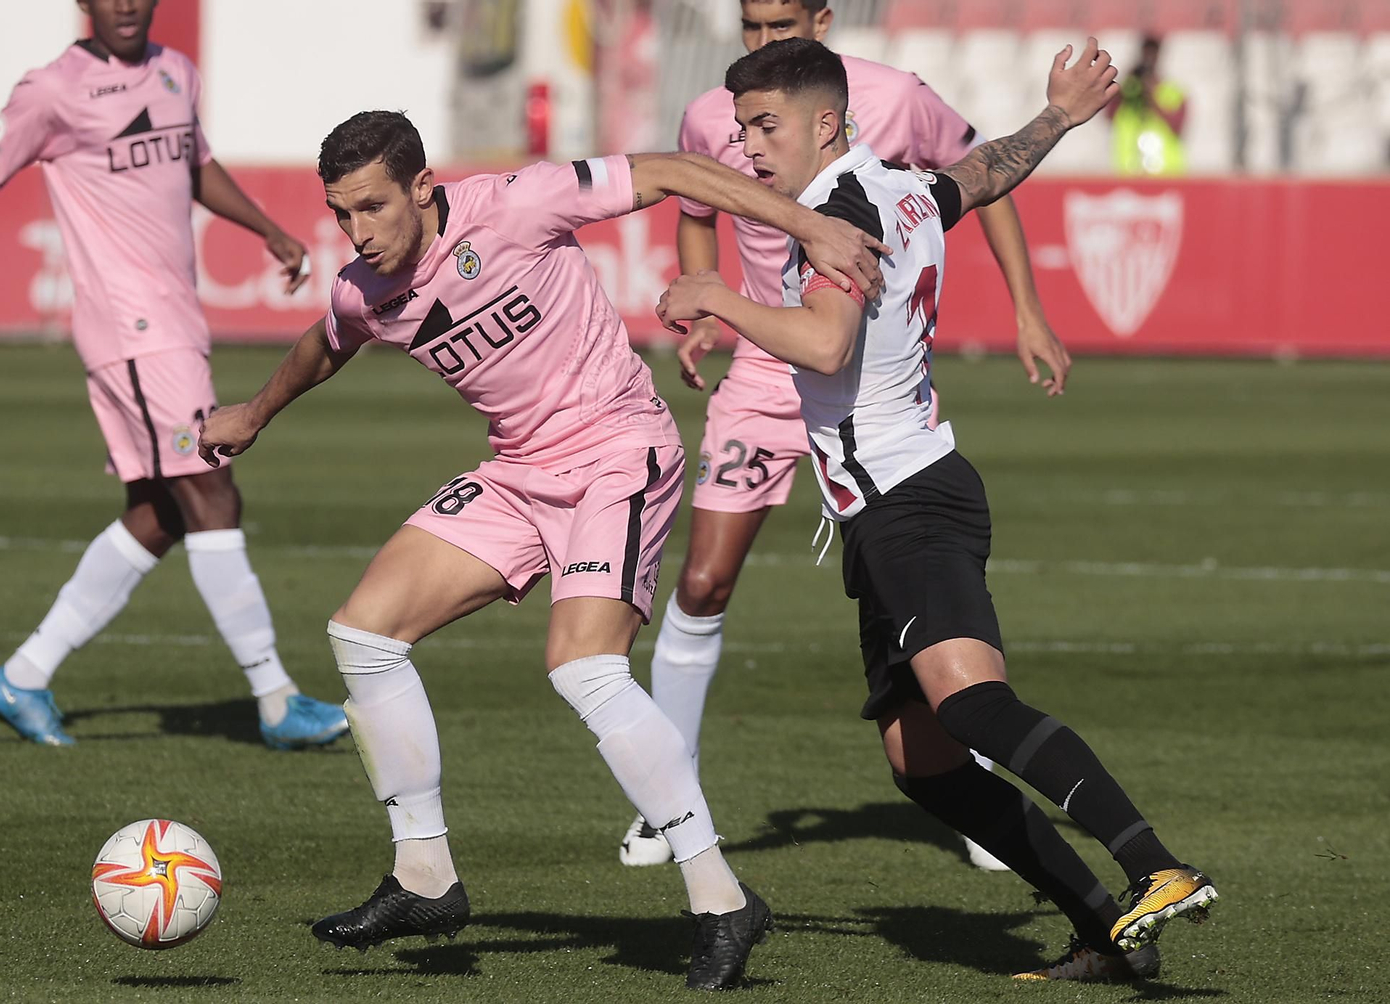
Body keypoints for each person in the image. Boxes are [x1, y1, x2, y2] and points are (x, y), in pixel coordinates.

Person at [198, 111, 882, 990]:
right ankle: (424, 876)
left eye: (373, 207)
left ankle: (721, 899)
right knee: (364, 633)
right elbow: (325, 343)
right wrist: (254, 413)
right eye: (341, 213)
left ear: (422, 187)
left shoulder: (518, 205)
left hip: (618, 452)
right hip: (521, 473)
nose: (358, 232)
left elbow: (673, 170)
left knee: (584, 668)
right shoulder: (364, 289)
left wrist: (810, 226)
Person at [657, 37, 1219, 983]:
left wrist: (719, 295)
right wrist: (1058, 116)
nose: (746, 146)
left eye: (764, 126)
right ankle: (1102, 931)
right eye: (742, 127)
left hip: (908, 500)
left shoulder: (840, 211)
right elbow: (984, 172)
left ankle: (1153, 865)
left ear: (826, 123)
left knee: (973, 705)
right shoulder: (899, 186)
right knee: (923, 762)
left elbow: (825, 345)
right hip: (893, 503)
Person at [620, 0, 1071, 872]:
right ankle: (667, 805)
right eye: (751, 24)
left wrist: (1027, 309)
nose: (764, 39)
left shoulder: (896, 95)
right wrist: (709, 305)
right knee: (703, 581)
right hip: (765, 366)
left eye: (781, 21)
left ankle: (980, 798)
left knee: (924, 596)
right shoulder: (716, 111)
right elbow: (697, 213)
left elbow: (980, 175)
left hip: (862, 378)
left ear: (822, 19)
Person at [0, 0, 348, 751]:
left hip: (175, 321)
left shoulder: (175, 72)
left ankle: (23, 676)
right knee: (212, 488)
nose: (127, 4)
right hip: (129, 326)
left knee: (161, 513)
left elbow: (194, 165)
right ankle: (276, 700)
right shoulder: (52, 89)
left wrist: (266, 228)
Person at [1106, 35, 1187, 176]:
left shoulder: (1173, 92)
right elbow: (1110, 115)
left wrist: (1152, 98)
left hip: (1167, 174)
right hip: (1128, 173)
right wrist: (1126, 84)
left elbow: (1177, 127)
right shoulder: (1129, 92)